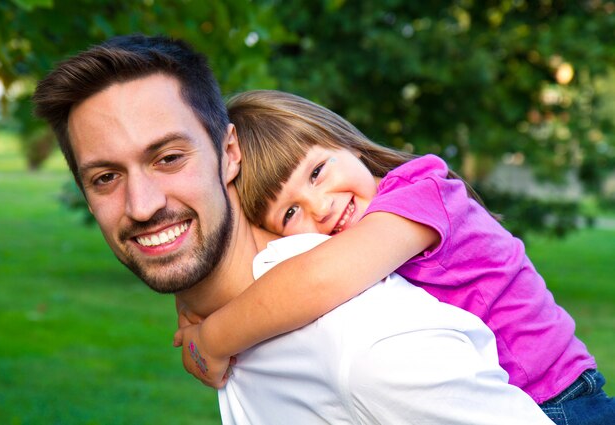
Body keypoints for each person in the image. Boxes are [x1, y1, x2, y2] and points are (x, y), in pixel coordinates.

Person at [32, 34, 555, 424]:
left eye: (169, 157)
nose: (142, 206)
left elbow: (321, 280)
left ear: (227, 153)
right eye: (105, 177)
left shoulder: (369, 344)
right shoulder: (261, 313)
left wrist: (212, 337)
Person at [177, 90, 615, 425]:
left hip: (558, 402)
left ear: (346, 143)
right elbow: (261, 271)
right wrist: (191, 302)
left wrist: (213, 337)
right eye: (289, 212)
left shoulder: (418, 196)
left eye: (316, 172)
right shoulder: (351, 234)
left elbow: (315, 281)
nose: (319, 206)